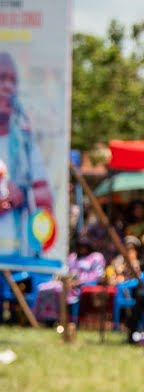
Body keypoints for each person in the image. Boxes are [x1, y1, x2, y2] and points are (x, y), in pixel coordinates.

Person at [0, 51, 53, 258]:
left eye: (13, 81)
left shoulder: (25, 142)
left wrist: (20, 194)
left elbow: (45, 195)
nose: (8, 87)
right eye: (2, 78)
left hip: (18, 254)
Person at [33, 238, 105, 322]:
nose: (82, 248)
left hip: (80, 287)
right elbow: (65, 271)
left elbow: (98, 275)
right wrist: (62, 278)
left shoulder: (96, 257)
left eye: (84, 246)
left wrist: (79, 282)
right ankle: (45, 318)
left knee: (58, 290)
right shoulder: (73, 257)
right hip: (66, 283)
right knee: (43, 288)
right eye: (80, 246)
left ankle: (59, 319)